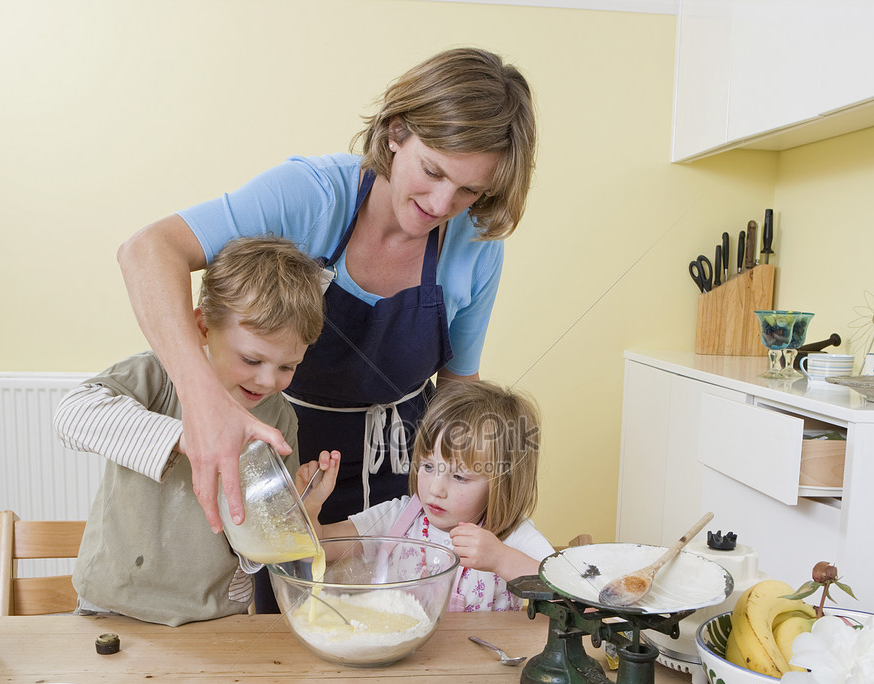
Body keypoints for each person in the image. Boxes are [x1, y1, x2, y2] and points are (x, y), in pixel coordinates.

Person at [117, 47, 537, 531]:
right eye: (433, 171)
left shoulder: (477, 243)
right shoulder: (311, 196)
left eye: (470, 191)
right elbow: (147, 251)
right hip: (285, 464)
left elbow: (459, 388)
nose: (443, 204)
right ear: (396, 131)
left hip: (402, 482)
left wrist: (481, 500)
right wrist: (203, 399)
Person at [55, 236, 328, 626]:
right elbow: (72, 414)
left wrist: (300, 511)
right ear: (202, 327)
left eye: (287, 366)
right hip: (113, 606)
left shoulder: (279, 419)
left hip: (215, 614)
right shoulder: (159, 375)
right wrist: (190, 437)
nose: (268, 380)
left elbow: (259, 539)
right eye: (252, 359)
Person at [299, 381, 553, 612]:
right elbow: (314, 549)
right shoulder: (397, 518)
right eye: (428, 467)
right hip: (399, 658)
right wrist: (311, 506)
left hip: (483, 662)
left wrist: (500, 558)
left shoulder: (512, 536)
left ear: (502, 483)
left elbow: (570, 593)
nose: (434, 490)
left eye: (459, 477)